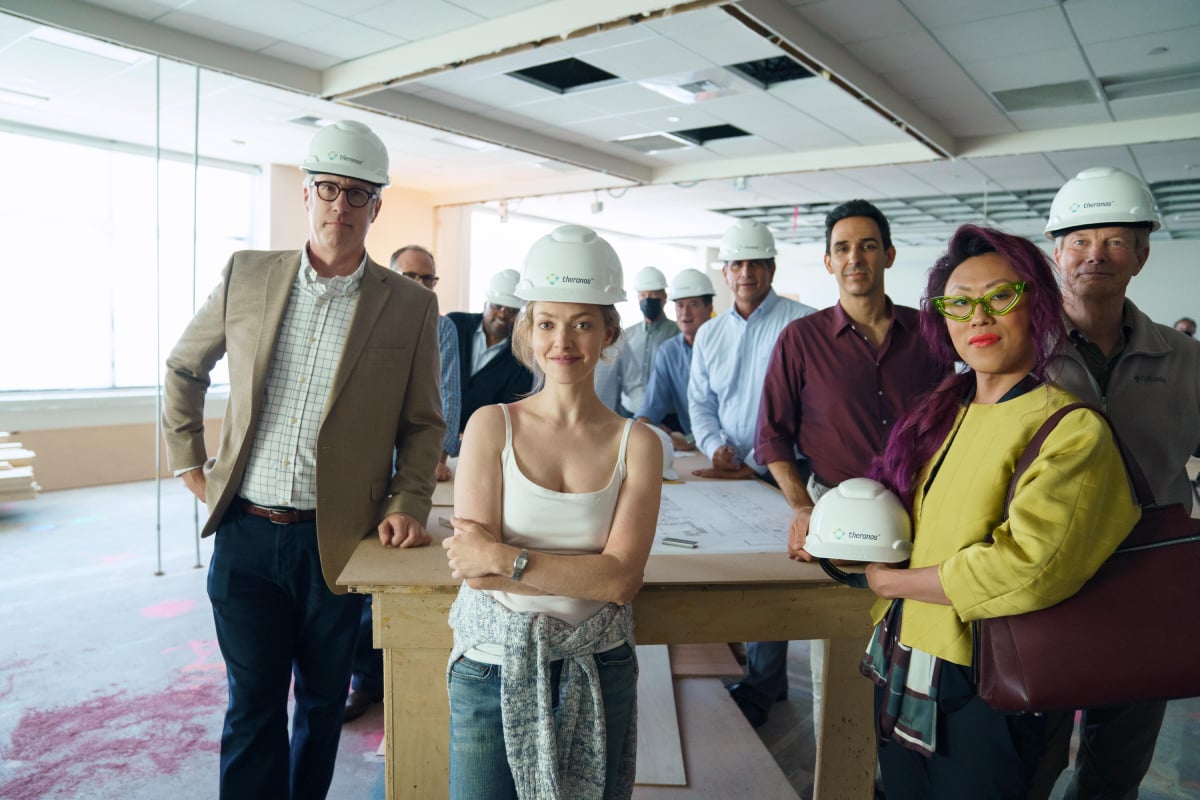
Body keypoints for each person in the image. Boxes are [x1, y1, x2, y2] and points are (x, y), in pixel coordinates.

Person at [161, 119, 445, 799]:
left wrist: (408, 502)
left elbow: (425, 422)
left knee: (320, 705)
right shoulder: (247, 274)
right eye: (327, 190)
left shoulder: (409, 305)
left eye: (356, 195)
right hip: (247, 535)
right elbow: (183, 368)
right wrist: (189, 463)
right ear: (307, 192)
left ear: (376, 206)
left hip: (337, 543)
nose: (339, 208)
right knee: (252, 705)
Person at [860, 223, 1140, 799]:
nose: (978, 316)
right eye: (959, 302)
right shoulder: (944, 413)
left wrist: (893, 582)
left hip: (989, 679)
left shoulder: (1069, 428)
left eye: (1000, 297)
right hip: (912, 657)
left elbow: (1028, 565)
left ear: (1036, 304)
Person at [441, 224, 662, 800]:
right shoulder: (492, 425)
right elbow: (473, 569)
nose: (563, 341)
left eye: (583, 323)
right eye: (546, 323)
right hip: (492, 668)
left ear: (609, 331)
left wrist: (505, 557)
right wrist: (567, 569)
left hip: (598, 665)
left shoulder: (637, 444)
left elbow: (620, 580)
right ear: (528, 331)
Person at [1029, 166, 1200, 800]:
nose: (1095, 255)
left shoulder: (1185, 361)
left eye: (1115, 240)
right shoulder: (1017, 350)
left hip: (1145, 588)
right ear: (1056, 252)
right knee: (1029, 759)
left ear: (1143, 254)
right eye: (1079, 240)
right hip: (1042, 585)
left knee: (1115, 771)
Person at [747, 200, 945, 730]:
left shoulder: (931, 334)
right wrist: (800, 505)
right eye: (843, 248)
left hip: (918, 509)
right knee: (837, 656)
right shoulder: (801, 340)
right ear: (829, 263)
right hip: (834, 510)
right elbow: (772, 436)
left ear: (889, 255)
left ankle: (902, 770)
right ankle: (838, 775)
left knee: (918, 647)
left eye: (867, 245)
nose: (855, 257)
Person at [342, 244, 462, 724]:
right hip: (363, 465)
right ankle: (359, 677)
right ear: (388, 276)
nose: (419, 285)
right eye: (409, 275)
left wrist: (436, 452)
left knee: (398, 573)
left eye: (427, 279)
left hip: (413, 466)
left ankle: (383, 678)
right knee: (352, 580)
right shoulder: (361, 312)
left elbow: (445, 390)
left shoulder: (441, 325)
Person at [688, 219, 816, 480]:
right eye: (737, 264)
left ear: (772, 269)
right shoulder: (709, 334)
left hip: (789, 472)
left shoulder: (804, 325)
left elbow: (811, 408)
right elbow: (701, 404)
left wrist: (756, 462)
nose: (745, 273)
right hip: (727, 466)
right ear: (725, 273)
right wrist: (713, 448)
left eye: (755, 263)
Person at [636, 268, 716, 450]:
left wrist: (693, 439)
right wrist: (641, 427)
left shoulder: (728, 347)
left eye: (694, 304)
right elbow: (652, 405)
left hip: (734, 447)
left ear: (709, 307)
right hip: (696, 447)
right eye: (680, 305)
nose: (685, 313)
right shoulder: (669, 351)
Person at [447, 269, 534, 433]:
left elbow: (508, 413)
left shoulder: (522, 358)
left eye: (512, 310)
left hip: (477, 439)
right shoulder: (454, 325)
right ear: (485, 303)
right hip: (431, 429)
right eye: (497, 306)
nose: (502, 314)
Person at [617, 266, 679, 414]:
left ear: (664, 297)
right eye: (643, 295)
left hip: (667, 414)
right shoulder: (626, 335)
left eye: (653, 295)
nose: (647, 300)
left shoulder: (677, 333)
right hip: (629, 411)